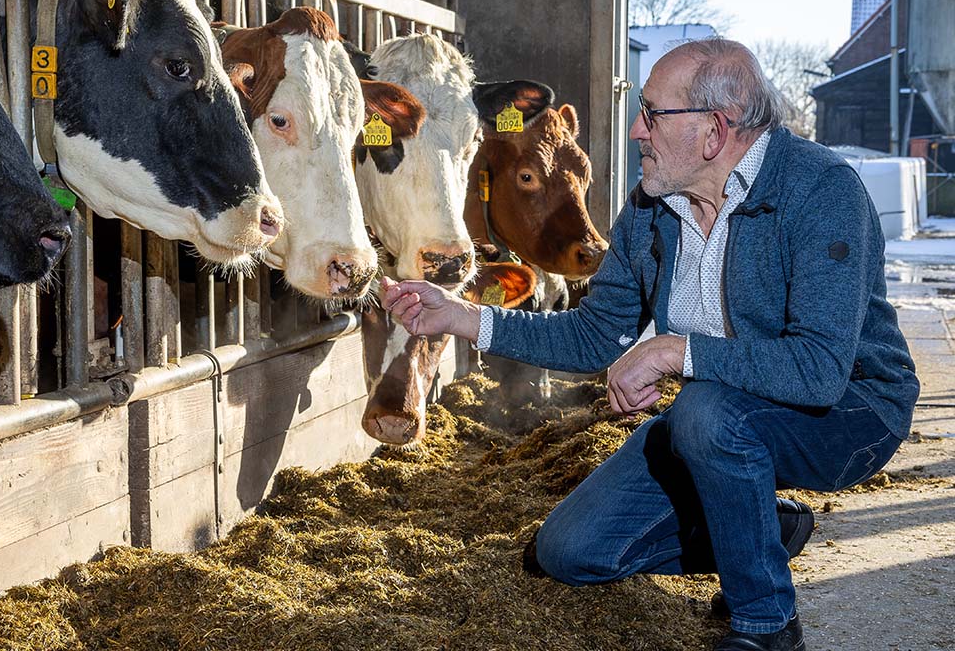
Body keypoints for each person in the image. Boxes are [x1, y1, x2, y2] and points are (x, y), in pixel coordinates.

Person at [379, 38, 919, 651]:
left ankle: (766, 624)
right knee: (569, 553)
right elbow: (595, 333)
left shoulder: (819, 192)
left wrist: (672, 350)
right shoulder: (650, 207)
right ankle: (762, 527)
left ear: (714, 130)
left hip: (847, 413)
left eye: (652, 113)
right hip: (714, 421)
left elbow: (820, 370)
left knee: (708, 410)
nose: (637, 130)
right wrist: (461, 317)